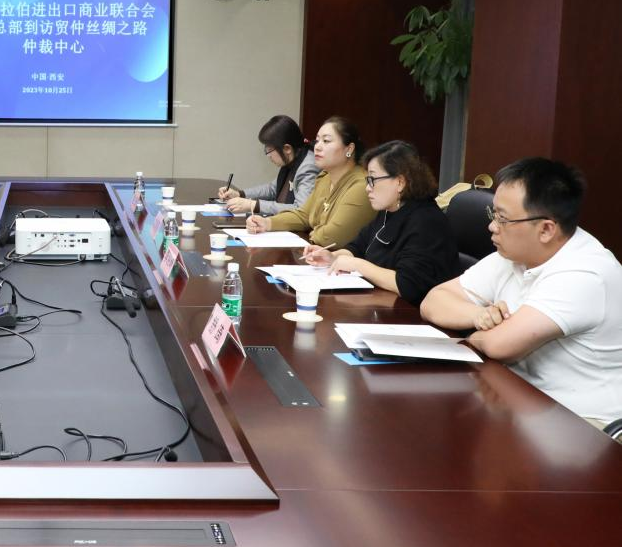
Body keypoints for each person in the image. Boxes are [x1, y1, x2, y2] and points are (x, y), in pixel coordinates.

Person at [420, 158, 622, 425]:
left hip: (584, 422)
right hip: (517, 396)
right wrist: (480, 316)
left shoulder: (586, 274)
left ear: (546, 229)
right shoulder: (515, 254)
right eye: (493, 214)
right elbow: (434, 300)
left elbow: (499, 345)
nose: (492, 226)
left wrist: (474, 336)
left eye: (502, 218)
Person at [303, 140, 459, 305]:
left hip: (409, 313)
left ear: (400, 182)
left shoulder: (427, 222)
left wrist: (357, 265)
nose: (367, 188)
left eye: (373, 179)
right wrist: (333, 257)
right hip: (383, 304)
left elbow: (407, 284)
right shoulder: (389, 210)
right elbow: (358, 247)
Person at [246, 116, 375, 246]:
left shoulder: (361, 186)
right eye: (317, 140)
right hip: (318, 253)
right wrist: (267, 223)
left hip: (340, 256)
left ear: (349, 149)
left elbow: (330, 237)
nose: (317, 147)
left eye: (326, 141)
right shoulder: (325, 178)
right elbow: (303, 215)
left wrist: (312, 231)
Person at [219, 115, 318, 215]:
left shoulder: (307, 167)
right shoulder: (291, 159)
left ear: (287, 149)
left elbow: (300, 210)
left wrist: (253, 205)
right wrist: (239, 194)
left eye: (269, 150)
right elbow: (272, 189)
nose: (268, 156)